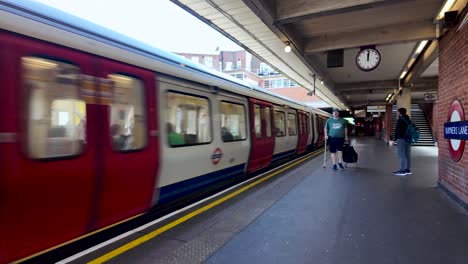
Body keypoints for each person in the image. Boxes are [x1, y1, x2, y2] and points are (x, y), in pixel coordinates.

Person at [393, 108, 412, 176]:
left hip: (401, 138)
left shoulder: (400, 120)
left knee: (401, 154)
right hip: (408, 139)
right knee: (407, 154)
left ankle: (402, 170)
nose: (397, 113)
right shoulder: (409, 120)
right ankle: (407, 169)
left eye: (397, 112)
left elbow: (397, 130)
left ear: (400, 113)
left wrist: (395, 139)